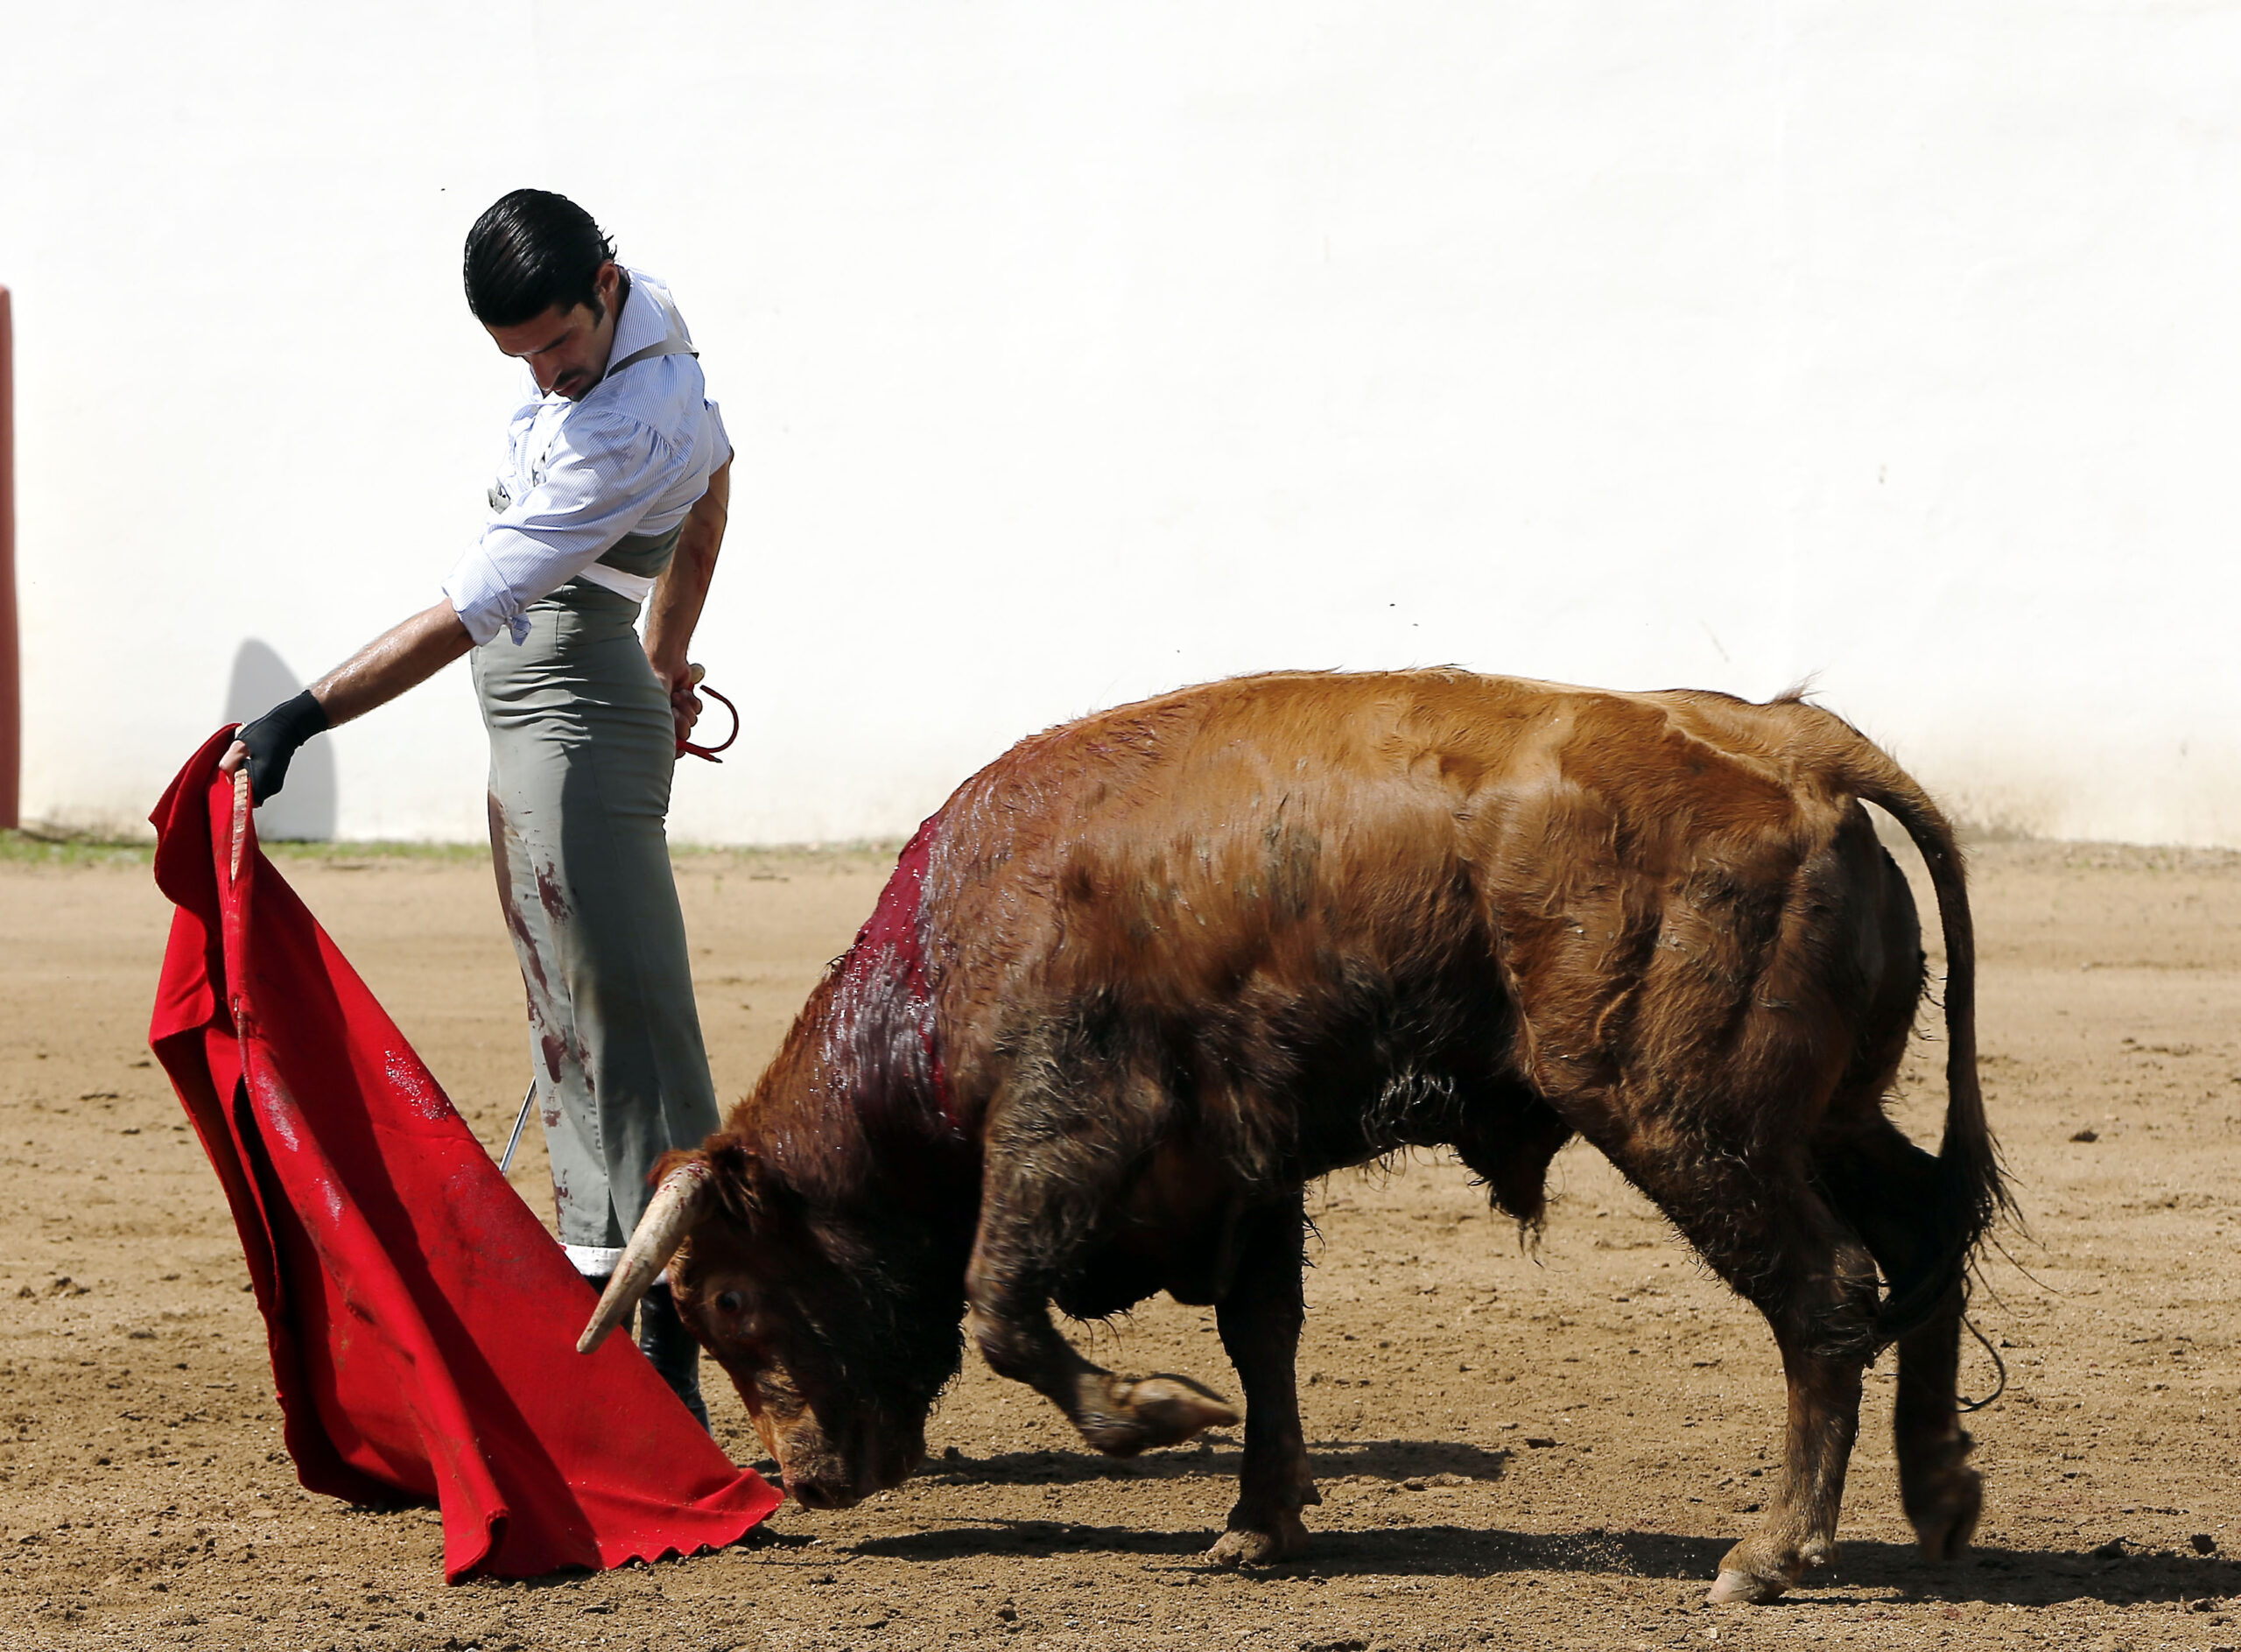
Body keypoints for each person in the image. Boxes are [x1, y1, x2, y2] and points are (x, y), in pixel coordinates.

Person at [223, 188, 730, 1425]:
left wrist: (298, 718)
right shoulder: (644, 312)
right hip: (549, 712)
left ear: (602, 286)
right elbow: (721, 492)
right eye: (521, 357)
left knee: (620, 1031)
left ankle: (667, 1344)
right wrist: (671, 655)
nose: (548, 377)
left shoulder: (635, 422)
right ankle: (640, 1308)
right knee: (575, 1018)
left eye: (558, 344)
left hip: (566, 711)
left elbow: (463, 615)